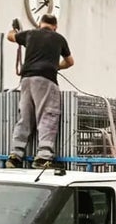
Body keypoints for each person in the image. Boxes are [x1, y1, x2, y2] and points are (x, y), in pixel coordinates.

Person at [5, 14, 74, 169]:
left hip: (26, 80)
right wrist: (56, 66)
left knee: (24, 117)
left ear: (39, 24)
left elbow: (10, 36)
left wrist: (14, 30)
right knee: (47, 115)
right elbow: (70, 61)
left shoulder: (30, 34)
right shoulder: (59, 38)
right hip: (46, 80)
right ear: (55, 27)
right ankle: (44, 157)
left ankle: (15, 155)